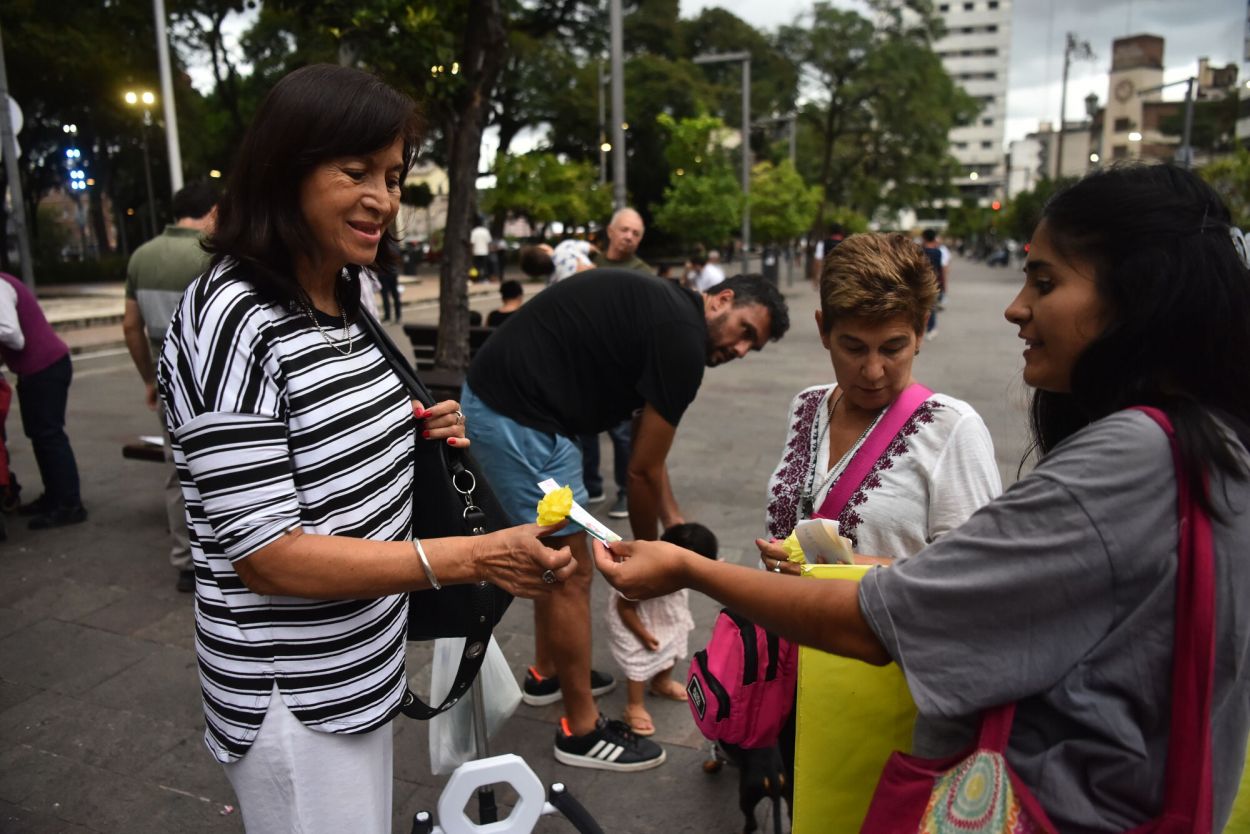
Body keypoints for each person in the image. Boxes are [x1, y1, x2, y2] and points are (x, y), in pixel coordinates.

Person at [594, 164, 1250, 832]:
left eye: (1045, 281)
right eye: (852, 346)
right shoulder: (1187, 446)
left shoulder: (1121, 458)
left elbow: (919, 610)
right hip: (808, 683)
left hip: (935, 731)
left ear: (1139, 298)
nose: (1015, 306)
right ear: (824, 331)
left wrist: (689, 569)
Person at [156, 64, 574, 834]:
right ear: (285, 170)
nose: (382, 197)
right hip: (293, 694)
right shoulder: (229, 318)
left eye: (391, 174)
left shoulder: (343, 295)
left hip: (362, 666)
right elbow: (269, 557)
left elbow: (323, 437)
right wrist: (473, 557)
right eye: (355, 171)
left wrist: (413, 429)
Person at [462, 269, 789, 772]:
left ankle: (549, 672)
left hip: (539, 420)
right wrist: (648, 562)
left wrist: (673, 522)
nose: (742, 349)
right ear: (721, 300)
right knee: (569, 574)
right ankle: (582, 731)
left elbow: (646, 458)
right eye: (745, 330)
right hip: (514, 417)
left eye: (755, 347)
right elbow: (639, 471)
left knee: (561, 565)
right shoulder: (683, 340)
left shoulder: (672, 315)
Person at [122, 181, 218, 591]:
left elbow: (130, 325)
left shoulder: (141, 256)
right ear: (213, 212)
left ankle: (185, 561)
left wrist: (148, 378)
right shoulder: (212, 254)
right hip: (211, 379)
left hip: (167, 380)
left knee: (177, 470)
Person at [608, 522, 717, 737]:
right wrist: (643, 634)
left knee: (674, 649)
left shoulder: (683, 573)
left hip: (668, 617)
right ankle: (635, 705)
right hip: (638, 623)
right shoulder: (641, 574)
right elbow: (625, 608)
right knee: (638, 664)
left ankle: (661, 682)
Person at [0, 272, 86, 530]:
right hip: (38, 369)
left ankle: (70, 505)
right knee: (39, 435)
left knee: (49, 435)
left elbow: (13, 335)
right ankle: (54, 497)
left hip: (45, 368)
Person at [597, 207, 649, 272]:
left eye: (635, 234)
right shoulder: (591, 262)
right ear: (610, 231)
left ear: (640, 239)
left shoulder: (644, 274)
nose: (629, 237)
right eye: (624, 230)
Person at [920, 228, 945, 339]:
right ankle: (931, 328)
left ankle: (922, 328)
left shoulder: (921, 251)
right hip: (934, 280)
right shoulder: (938, 252)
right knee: (931, 306)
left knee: (921, 306)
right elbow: (939, 268)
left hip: (921, 280)